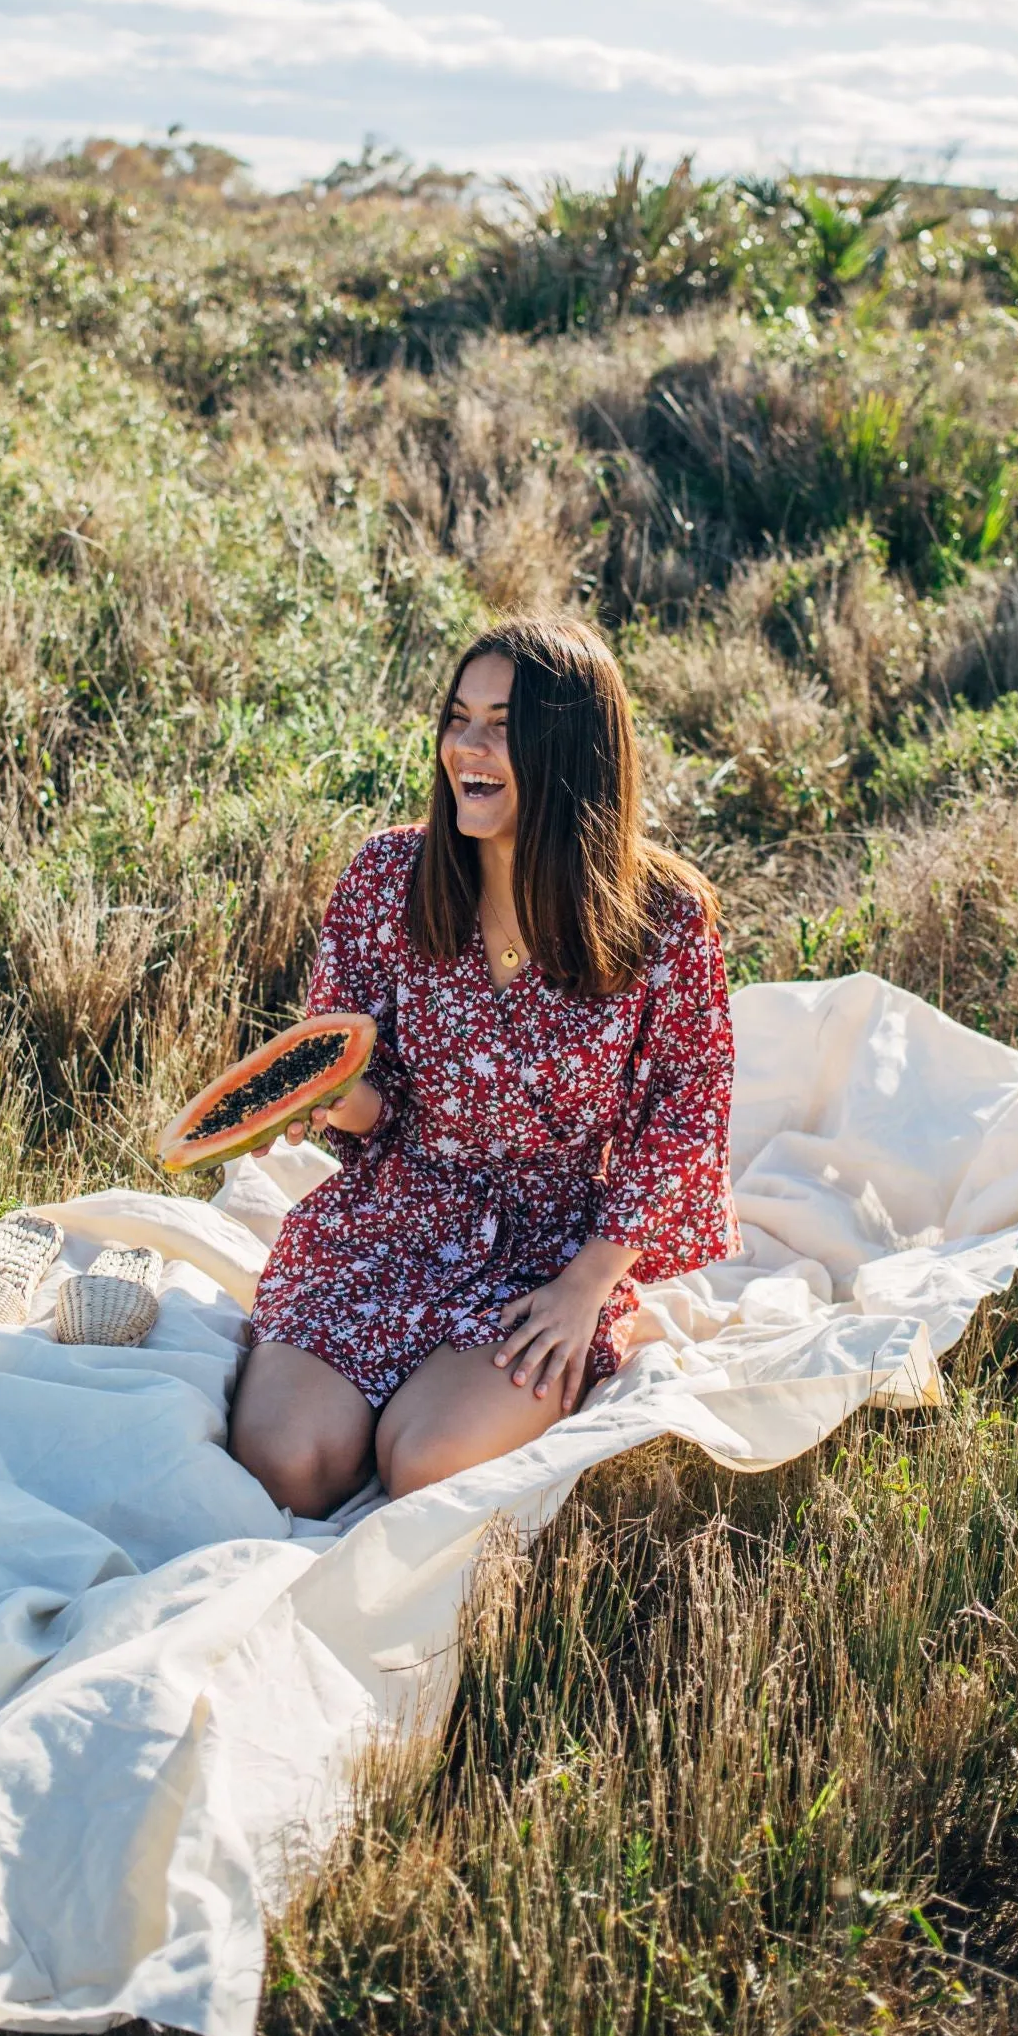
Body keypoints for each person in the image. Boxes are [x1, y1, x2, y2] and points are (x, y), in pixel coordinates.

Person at [227, 614, 738, 1516]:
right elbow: (371, 1098)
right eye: (458, 717)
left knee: (425, 1460)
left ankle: (440, 1394)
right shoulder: (387, 878)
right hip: (393, 1220)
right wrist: (327, 1100)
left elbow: (686, 1115)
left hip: (551, 1250)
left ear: (571, 748)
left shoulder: (664, 917)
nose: (467, 745)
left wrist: (588, 1287)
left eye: (503, 725)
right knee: (287, 1462)